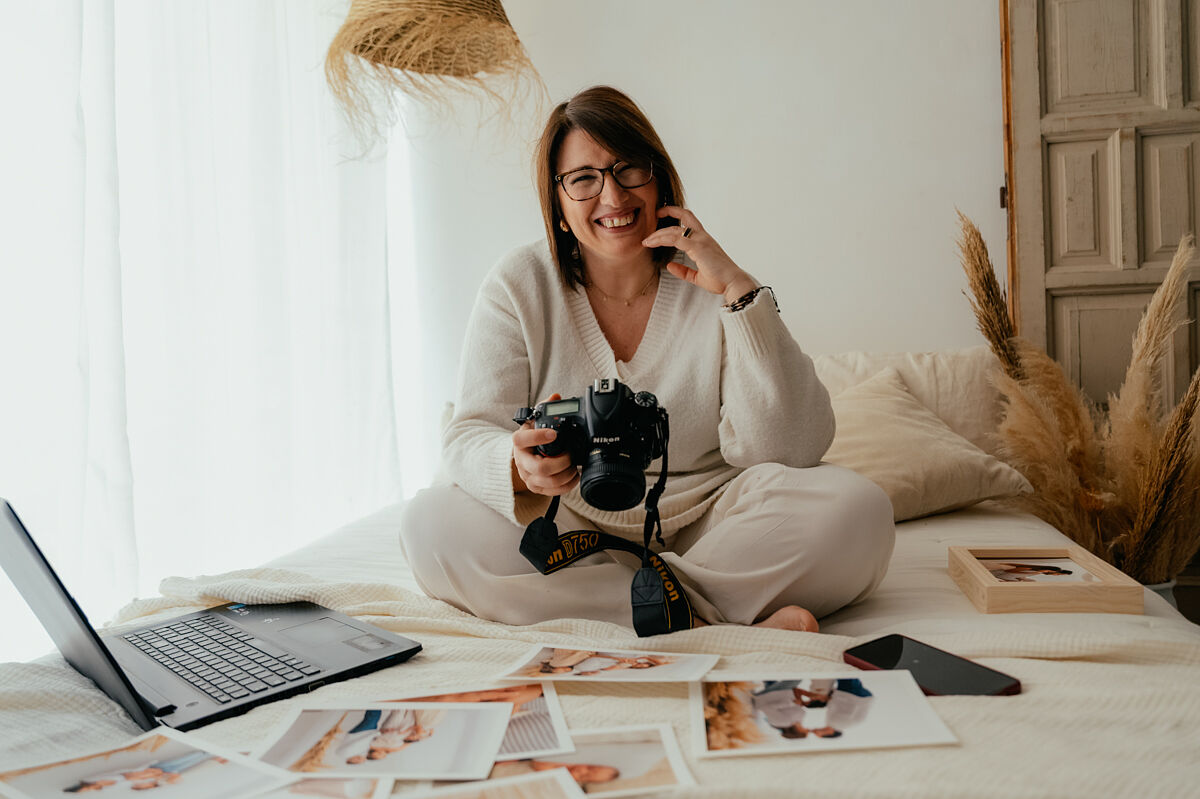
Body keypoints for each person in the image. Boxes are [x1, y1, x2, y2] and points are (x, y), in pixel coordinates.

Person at [400, 85, 895, 630]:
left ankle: (640, 611)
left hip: (713, 522)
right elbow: (470, 435)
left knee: (859, 509)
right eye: (584, 179)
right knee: (431, 525)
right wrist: (521, 467)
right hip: (574, 529)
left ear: (658, 179)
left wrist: (739, 292)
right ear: (558, 206)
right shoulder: (519, 285)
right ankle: (708, 621)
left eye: (627, 168)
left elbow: (791, 447)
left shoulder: (711, 279)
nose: (612, 197)